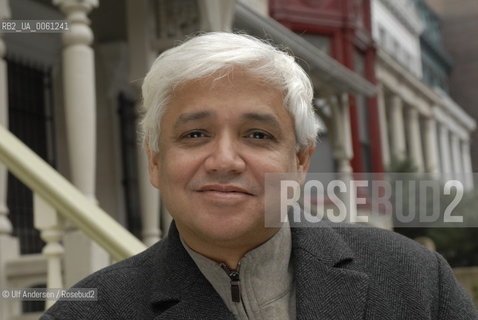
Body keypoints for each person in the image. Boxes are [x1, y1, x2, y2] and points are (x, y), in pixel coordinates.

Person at [41, 32, 477, 320]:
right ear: (155, 161)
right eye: (195, 134)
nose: (225, 160)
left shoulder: (415, 281)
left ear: (300, 161)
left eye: (257, 134)